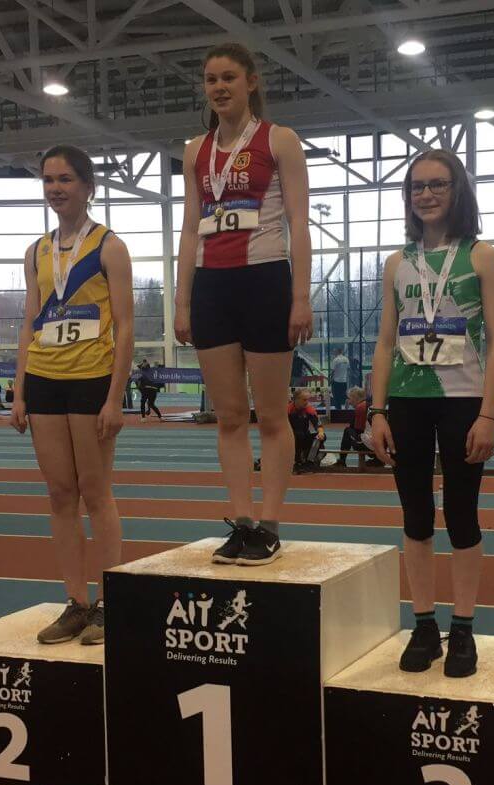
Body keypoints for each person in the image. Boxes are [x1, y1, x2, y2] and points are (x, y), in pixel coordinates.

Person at [368, 148, 494, 678]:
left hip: (464, 401)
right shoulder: (396, 263)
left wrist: (489, 415)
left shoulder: (481, 256)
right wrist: (376, 411)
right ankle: (425, 625)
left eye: (437, 185)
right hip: (405, 401)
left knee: (463, 514)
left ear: (458, 191)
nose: (425, 194)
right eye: (416, 186)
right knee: (416, 516)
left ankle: (464, 628)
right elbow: (385, 341)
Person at [174, 42, 312, 566]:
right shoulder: (195, 150)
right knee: (230, 415)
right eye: (211, 80)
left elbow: (299, 221)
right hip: (213, 283)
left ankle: (271, 523)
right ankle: (241, 521)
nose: (219, 87)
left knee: (272, 415)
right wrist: (183, 300)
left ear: (251, 81)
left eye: (229, 77)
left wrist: (301, 296)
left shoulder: (280, 140)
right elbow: (190, 227)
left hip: (266, 279)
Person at [11, 144, 134, 645]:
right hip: (43, 380)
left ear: (88, 187)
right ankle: (75, 602)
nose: (56, 189)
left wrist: (115, 397)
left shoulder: (109, 246)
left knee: (95, 492)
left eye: (65, 179)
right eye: (48, 180)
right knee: (60, 494)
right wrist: (18, 392)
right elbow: (29, 322)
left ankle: (109, 602)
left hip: (90, 380)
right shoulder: (37, 251)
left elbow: (125, 327)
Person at [335, 386, 378, 467]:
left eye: (350, 398)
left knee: (347, 431)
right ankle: (377, 460)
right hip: (379, 444)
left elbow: (359, 429)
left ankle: (342, 461)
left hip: (370, 445)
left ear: (356, 398)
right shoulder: (371, 405)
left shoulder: (360, 407)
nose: (349, 402)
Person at [288, 388, 325, 472]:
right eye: (304, 400)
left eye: (308, 399)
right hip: (290, 438)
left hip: (304, 436)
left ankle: (309, 462)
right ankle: (297, 462)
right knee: (298, 434)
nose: (307, 402)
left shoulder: (309, 409)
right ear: (296, 400)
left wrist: (321, 432)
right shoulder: (288, 410)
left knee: (320, 437)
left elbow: (318, 425)